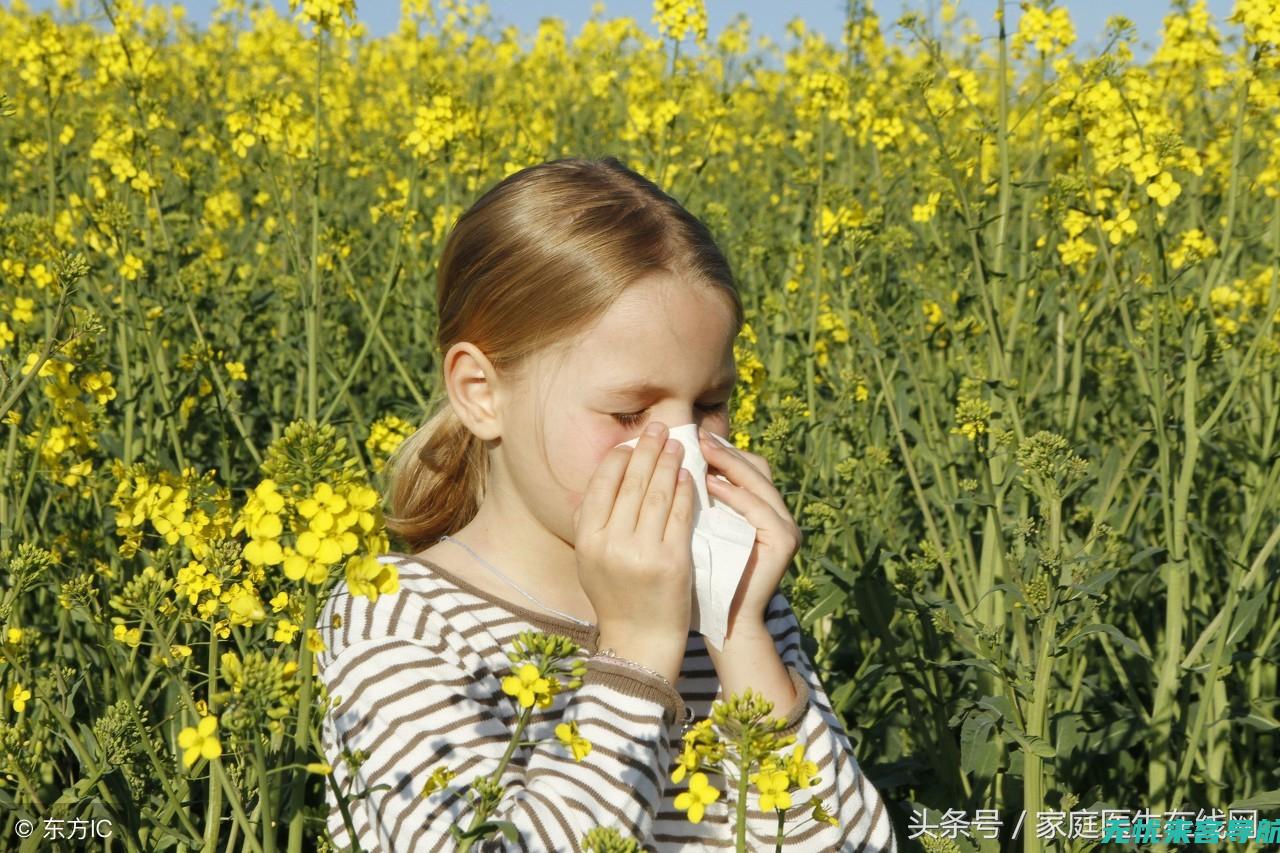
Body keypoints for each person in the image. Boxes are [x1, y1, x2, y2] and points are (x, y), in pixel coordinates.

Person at [316, 155, 898, 851]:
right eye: (628, 413)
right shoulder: (400, 619)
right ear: (481, 392)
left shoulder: (728, 600)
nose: (682, 447)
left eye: (711, 404)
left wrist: (739, 627)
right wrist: (635, 658)